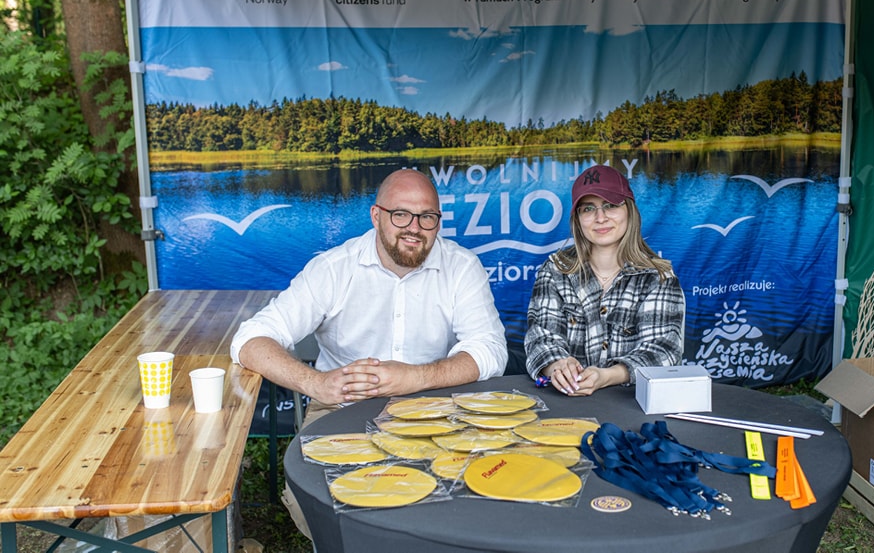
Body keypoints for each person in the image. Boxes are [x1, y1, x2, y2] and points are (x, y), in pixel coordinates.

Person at [231, 168, 508, 408]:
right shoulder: (333, 268)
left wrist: (416, 377)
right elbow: (250, 339)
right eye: (400, 214)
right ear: (376, 216)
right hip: (341, 411)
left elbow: (491, 349)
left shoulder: (462, 266)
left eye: (426, 217)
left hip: (434, 409)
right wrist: (316, 383)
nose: (414, 228)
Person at [524, 164, 685, 396]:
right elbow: (541, 338)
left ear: (629, 211)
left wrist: (608, 376)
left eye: (610, 205)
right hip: (567, 400)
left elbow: (663, 351)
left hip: (632, 402)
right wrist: (559, 366)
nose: (600, 218)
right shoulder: (555, 270)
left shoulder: (658, 277)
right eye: (588, 209)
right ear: (578, 219)